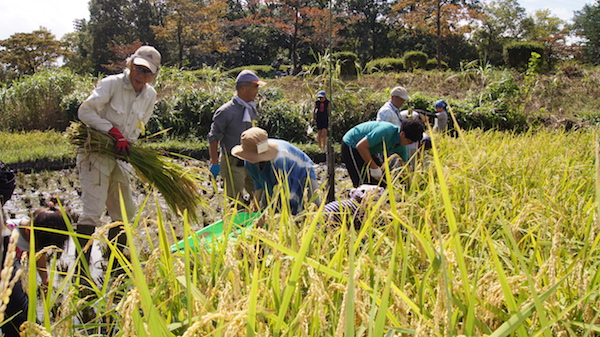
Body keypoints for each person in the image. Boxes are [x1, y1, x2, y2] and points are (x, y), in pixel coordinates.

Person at [75, 45, 161, 274]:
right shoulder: (111, 84)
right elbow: (85, 112)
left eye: (148, 72)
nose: (141, 75)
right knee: (92, 211)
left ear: (155, 75)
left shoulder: (150, 95)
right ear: (131, 64)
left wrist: (128, 143)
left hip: (121, 157)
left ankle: (115, 265)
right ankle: (81, 271)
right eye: (139, 68)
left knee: (123, 212)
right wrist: (112, 132)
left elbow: (139, 125)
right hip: (96, 155)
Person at [1, 205, 70, 337]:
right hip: (4, 272)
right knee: (18, 315)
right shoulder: (8, 234)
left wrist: (45, 278)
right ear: (27, 231)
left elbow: (39, 254)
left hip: (11, 276)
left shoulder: (35, 233)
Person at [208, 70, 267, 205]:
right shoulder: (226, 111)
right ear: (243, 89)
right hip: (233, 163)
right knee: (235, 201)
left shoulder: (252, 109)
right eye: (255, 87)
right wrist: (215, 163)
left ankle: (257, 223)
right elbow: (213, 137)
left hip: (252, 161)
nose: (257, 91)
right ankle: (235, 225)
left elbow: (256, 134)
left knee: (259, 197)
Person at [231, 127, 320, 215]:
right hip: (278, 180)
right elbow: (259, 184)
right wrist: (255, 208)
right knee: (266, 207)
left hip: (302, 171)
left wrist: (269, 215)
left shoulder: (279, 160)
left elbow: (284, 191)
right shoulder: (249, 161)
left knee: (312, 208)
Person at [341, 119, 425, 188]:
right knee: (363, 184)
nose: (409, 145)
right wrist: (374, 167)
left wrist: (410, 183)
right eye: (409, 142)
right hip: (353, 144)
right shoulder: (386, 131)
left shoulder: (401, 146)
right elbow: (361, 146)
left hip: (369, 149)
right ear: (402, 134)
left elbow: (405, 166)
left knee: (383, 182)